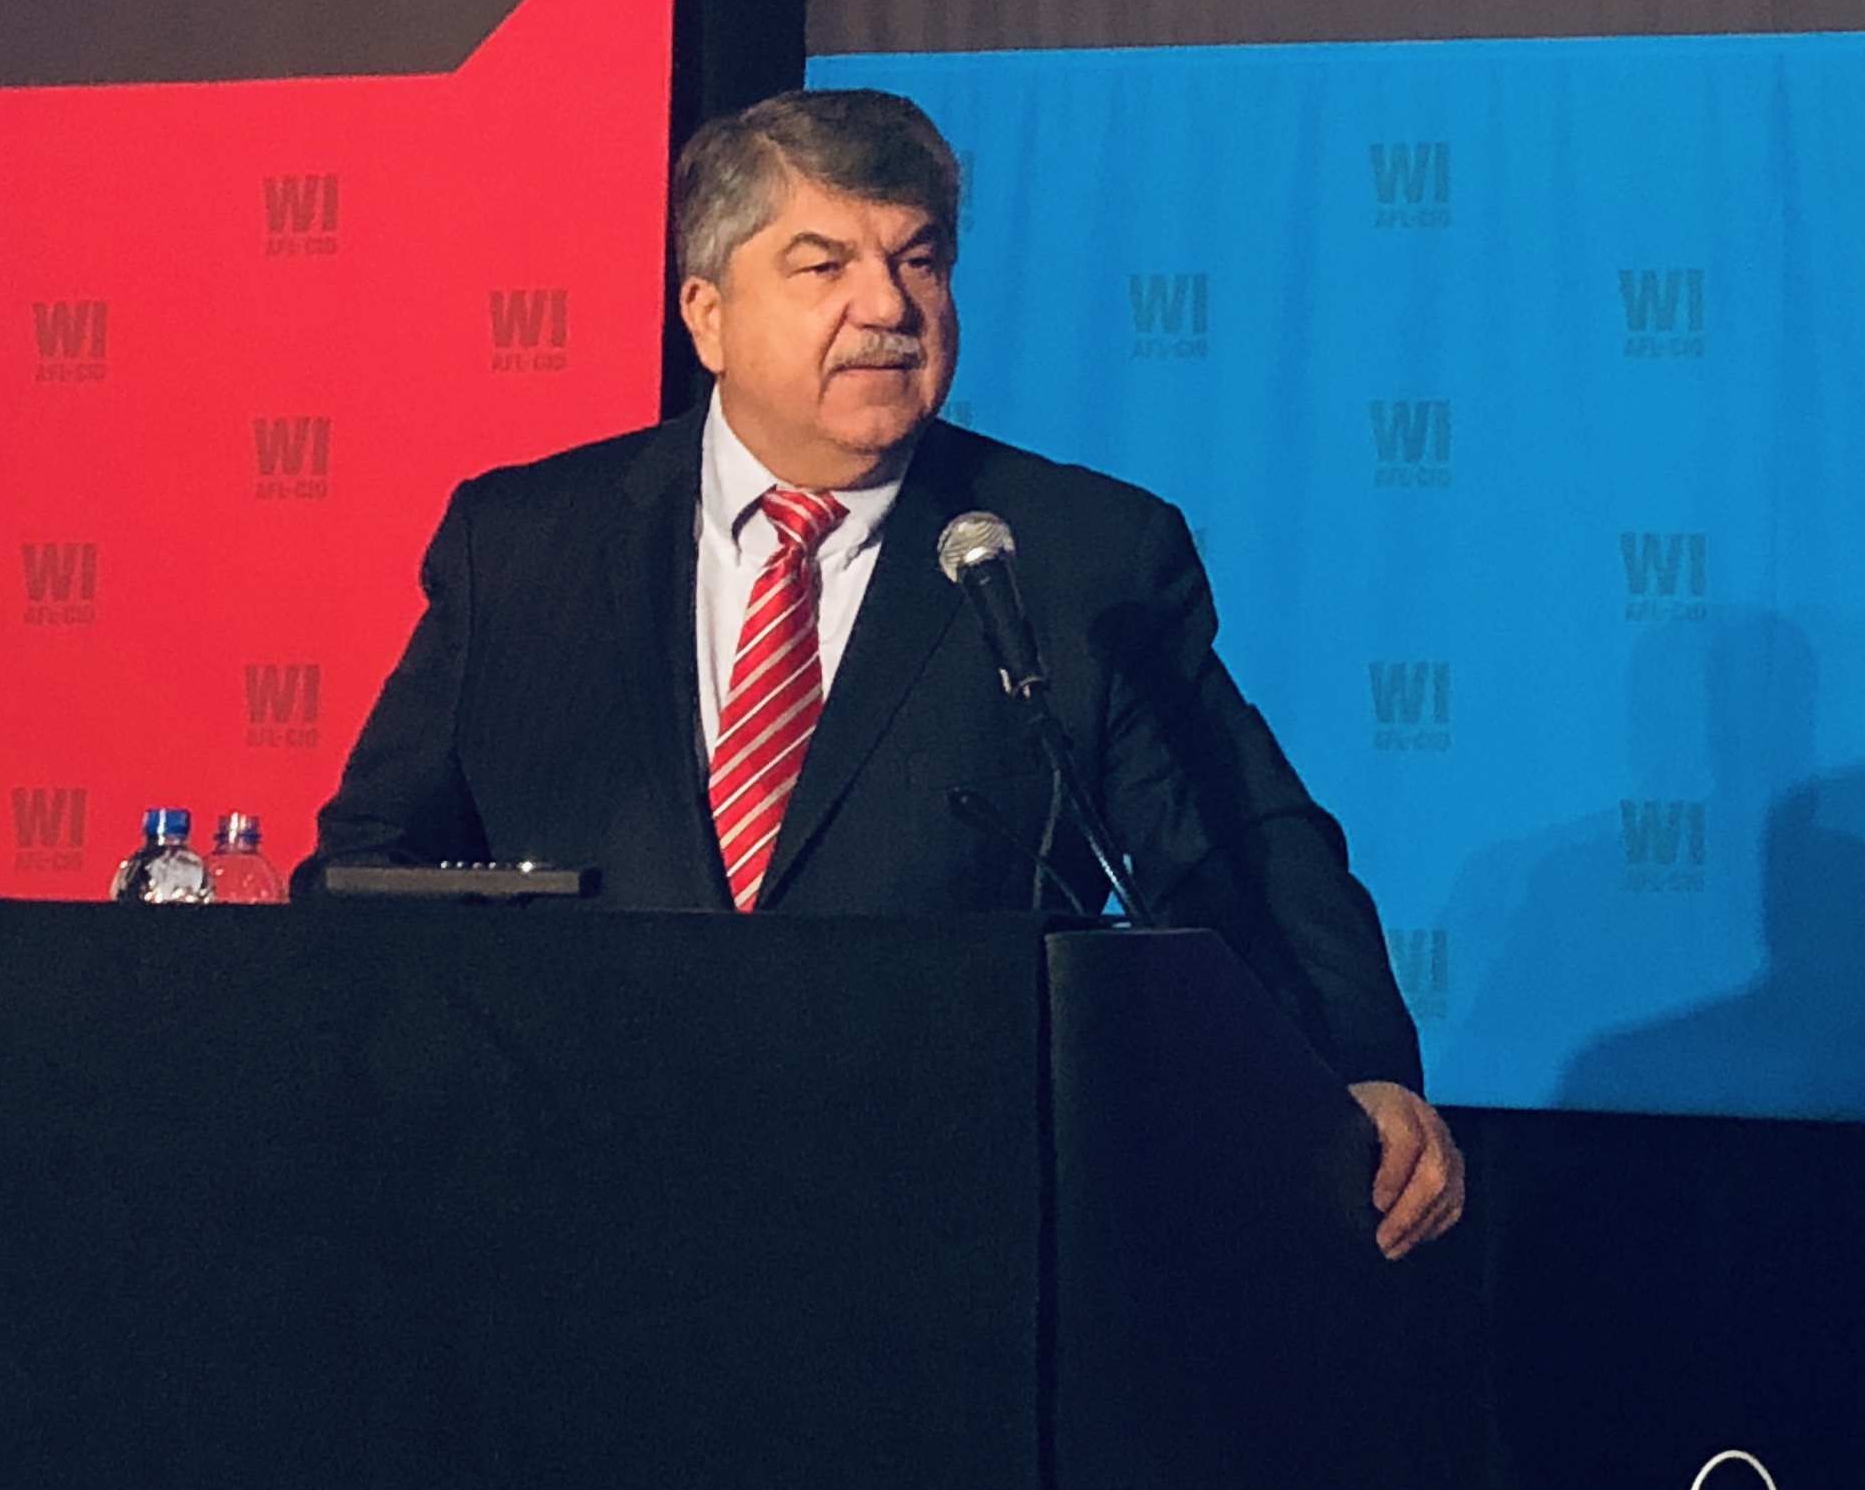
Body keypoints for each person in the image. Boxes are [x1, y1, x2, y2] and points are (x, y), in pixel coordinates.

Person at [315, 86, 1467, 1256]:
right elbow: (374, 866)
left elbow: (1243, 849)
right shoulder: (523, 545)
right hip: (565, 1205)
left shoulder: (1076, 555)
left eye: (920, 261)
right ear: (705, 315)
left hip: (937, 1225)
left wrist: (1356, 1072)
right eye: (823, 267)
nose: (888, 307)